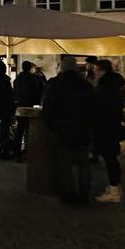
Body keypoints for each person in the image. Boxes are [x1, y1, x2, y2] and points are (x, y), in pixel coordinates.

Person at [43, 56, 96, 205]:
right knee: (84, 164)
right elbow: (94, 108)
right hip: (83, 130)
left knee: (65, 165)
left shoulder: (55, 85)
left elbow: (48, 108)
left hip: (63, 130)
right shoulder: (85, 86)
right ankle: (84, 195)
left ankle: (68, 195)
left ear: (62, 68)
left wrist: (52, 126)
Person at [92, 59, 125, 203]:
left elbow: (102, 106)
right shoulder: (114, 84)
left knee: (110, 157)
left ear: (103, 70)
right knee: (111, 157)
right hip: (112, 125)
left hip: (106, 126)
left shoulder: (105, 86)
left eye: (96, 69)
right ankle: (115, 186)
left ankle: (114, 190)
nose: (94, 72)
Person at [12, 60, 44, 158]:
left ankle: (16, 151)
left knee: (19, 130)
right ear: (30, 68)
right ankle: (29, 150)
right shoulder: (34, 79)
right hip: (31, 107)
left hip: (20, 107)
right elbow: (39, 92)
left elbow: (15, 93)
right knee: (29, 130)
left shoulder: (17, 80)